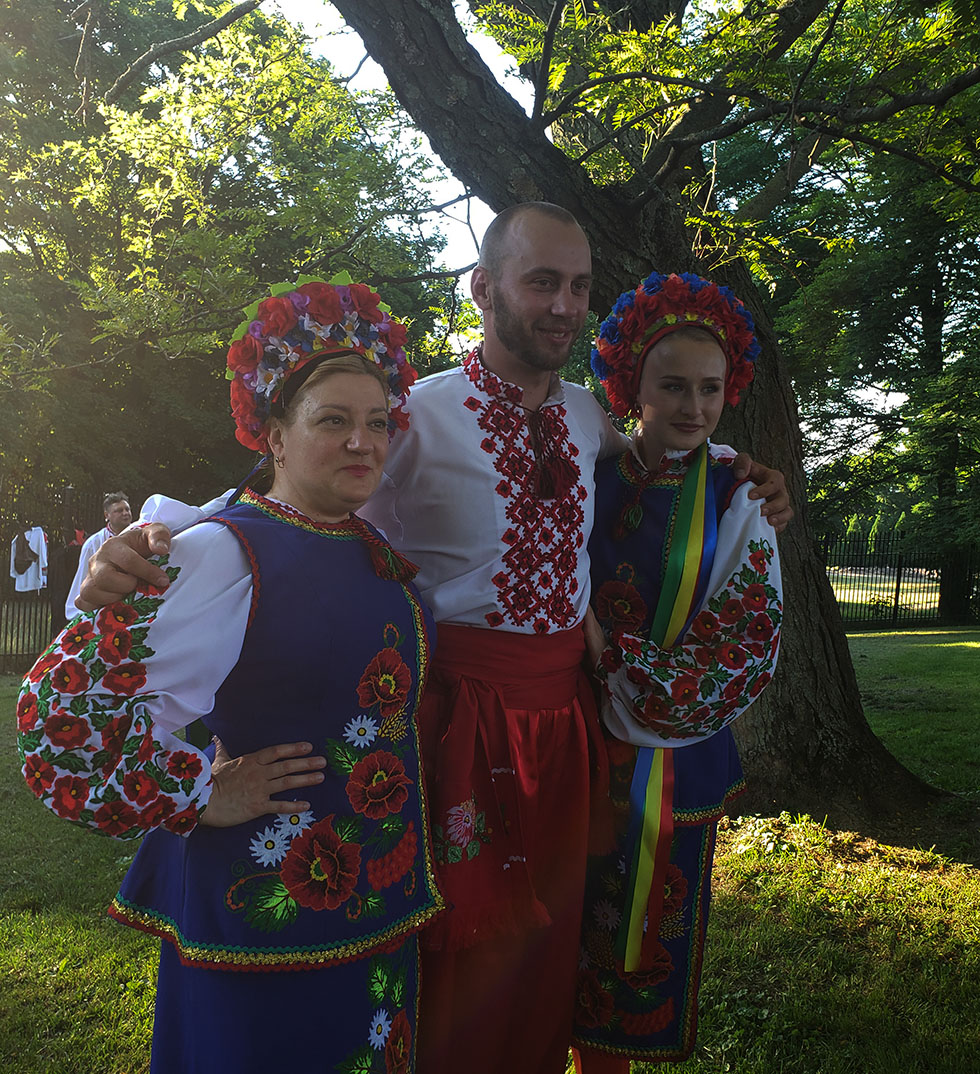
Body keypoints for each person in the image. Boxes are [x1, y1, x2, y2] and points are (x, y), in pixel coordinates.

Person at [75, 204, 792, 1074]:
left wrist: (749, 477)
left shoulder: (584, 416)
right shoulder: (413, 414)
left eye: (578, 286)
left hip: (565, 726)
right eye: (542, 282)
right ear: (483, 288)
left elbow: (660, 459)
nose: (564, 305)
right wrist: (143, 544)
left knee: (546, 954)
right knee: (453, 963)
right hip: (449, 729)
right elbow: (276, 497)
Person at [17, 276, 444, 1073]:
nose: (364, 441)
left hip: (373, 911)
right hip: (263, 918)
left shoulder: (368, 547)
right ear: (275, 436)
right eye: (334, 420)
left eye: (378, 422)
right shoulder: (222, 552)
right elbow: (60, 727)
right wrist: (197, 792)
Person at [571, 272, 783, 1071]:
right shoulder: (589, 478)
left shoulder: (738, 495)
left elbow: (743, 639)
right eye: (673, 386)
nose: (694, 406)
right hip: (573, 743)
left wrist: (616, 661)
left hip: (670, 753)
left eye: (710, 388)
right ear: (632, 387)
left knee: (634, 941)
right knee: (559, 931)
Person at [64, 492, 133, 617]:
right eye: (119, 510)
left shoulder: (139, 535)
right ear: (107, 515)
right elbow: (83, 576)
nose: (125, 513)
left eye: (127, 509)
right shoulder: (93, 543)